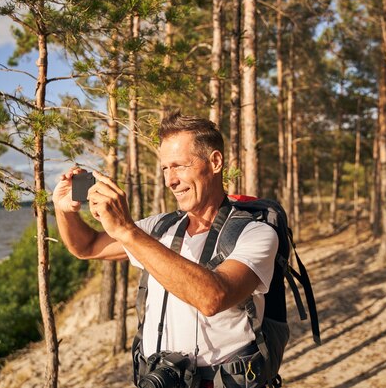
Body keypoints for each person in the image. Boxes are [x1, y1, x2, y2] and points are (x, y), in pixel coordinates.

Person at [52, 112, 278, 388]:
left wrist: (127, 230)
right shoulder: (159, 227)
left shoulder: (255, 232)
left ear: (215, 162)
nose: (170, 180)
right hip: (159, 378)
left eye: (180, 166)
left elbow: (213, 298)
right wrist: (64, 212)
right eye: (164, 169)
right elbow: (86, 247)